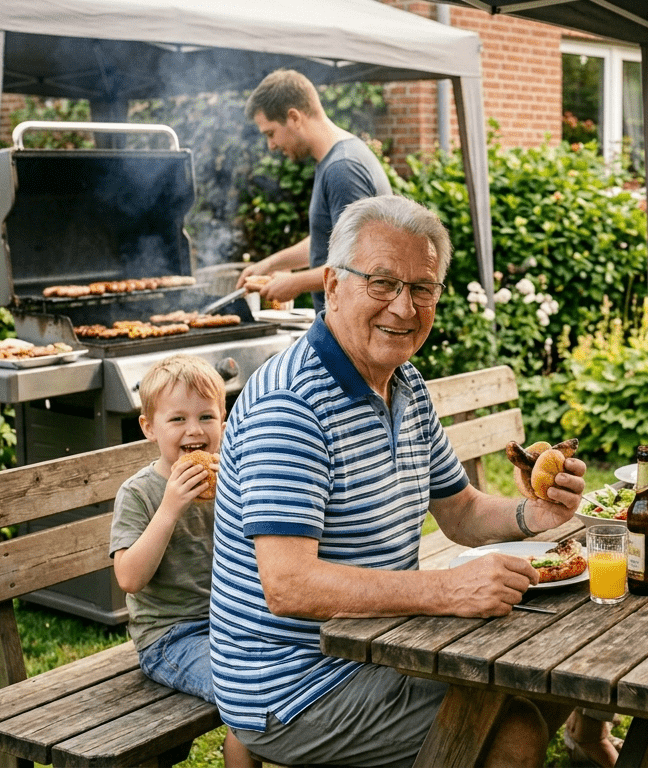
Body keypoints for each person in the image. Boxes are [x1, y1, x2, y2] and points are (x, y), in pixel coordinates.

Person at [209, 196, 616, 768]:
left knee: (555, 668)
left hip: (385, 643)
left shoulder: (405, 383)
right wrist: (447, 591)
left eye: (422, 288)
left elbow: (461, 511)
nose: (403, 307)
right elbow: (289, 587)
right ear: (332, 285)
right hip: (293, 683)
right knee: (514, 730)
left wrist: (534, 515)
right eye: (382, 283)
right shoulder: (291, 405)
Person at [109, 355, 258, 768]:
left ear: (223, 421)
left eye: (206, 416)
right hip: (170, 637)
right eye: (177, 419)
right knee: (248, 694)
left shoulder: (235, 477)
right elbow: (129, 578)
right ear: (149, 428)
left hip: (234, 623)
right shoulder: (139, 494)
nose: (194, 430)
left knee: (299, 672)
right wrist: (170, 509)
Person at [235, 68, 392, 313]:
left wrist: (295, 283)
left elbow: (359, 265)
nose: (271, 145)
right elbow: (328, 241)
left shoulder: (343, 168)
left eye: (271, 133)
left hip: (355, 328)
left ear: (294, 117)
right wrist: (269, 264)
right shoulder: (335, 161)